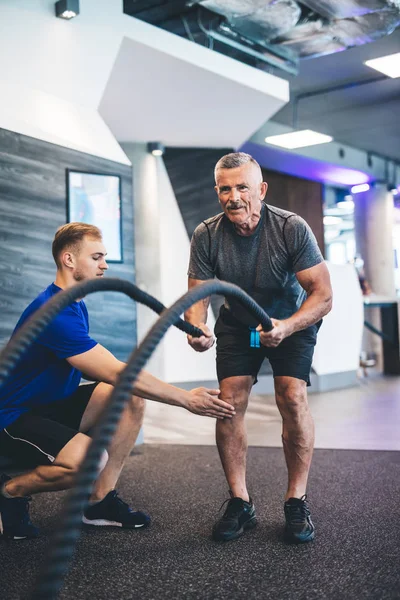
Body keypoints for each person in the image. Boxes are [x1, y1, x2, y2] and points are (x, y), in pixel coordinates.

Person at [0, 223, 235, 540]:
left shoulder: (74, 303)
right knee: (90, 460)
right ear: (69, 260)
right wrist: (185, 399)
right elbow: (116, 371)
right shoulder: (52, 312)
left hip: (50, 405)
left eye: (104, 257)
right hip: (14, 417)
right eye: (96, 257)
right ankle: (10, 492)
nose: (105, 265)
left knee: (126, 397)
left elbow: (99, 370)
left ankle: (98, 502)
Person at [185, 152, 332, 544]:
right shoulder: (207, 234)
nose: (233, 197)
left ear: (261, 190)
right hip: (239, 325)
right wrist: (196, 327)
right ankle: (239, 501)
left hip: (290, 321)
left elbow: (323, 296)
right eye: (225, 189)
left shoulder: (290, 228)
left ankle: (296, 499)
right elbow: (197, 296)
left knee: (292, 395)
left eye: (242, 187)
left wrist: (286, 326)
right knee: (228, 401)